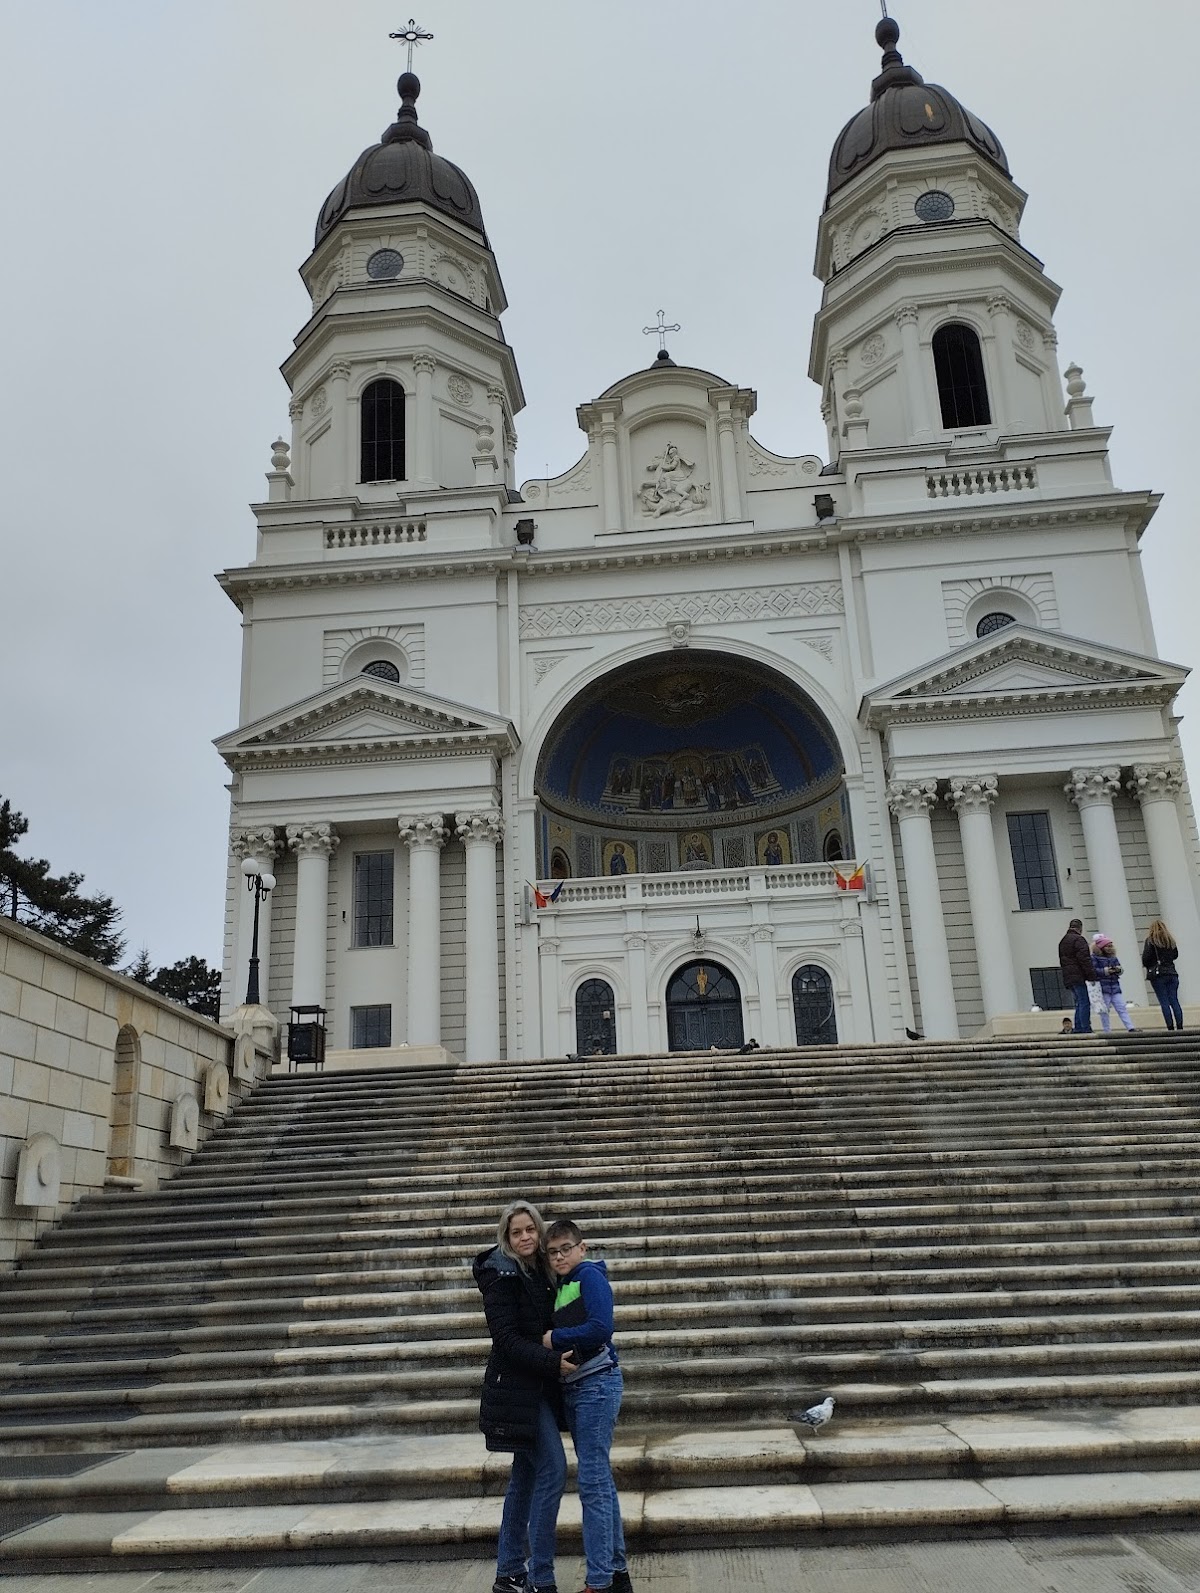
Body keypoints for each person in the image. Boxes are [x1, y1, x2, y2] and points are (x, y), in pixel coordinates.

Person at [474, 1201, 573, 1593]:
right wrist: (551, 1361)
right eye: (517, 1232)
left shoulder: (539, 1272)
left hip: (537, 1390)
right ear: (507, 1238)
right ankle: (537, 1576)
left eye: (530, 1229)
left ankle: (509, 1571)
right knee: (552, 1468)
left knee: (525, 1478)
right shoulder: (502, 1277)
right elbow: (507, 1339)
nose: (525, 1237)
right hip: (517, 1390)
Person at [542, 1220, 631, 1593]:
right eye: (553, 1251)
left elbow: (601, 1327)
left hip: (596, 1386)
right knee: (600, 1483)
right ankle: (617, 1574)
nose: (560, 1256)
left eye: (566, 1248)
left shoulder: (589, 1276)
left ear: (582, 1247)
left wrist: (553, 1338)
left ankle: (599, 1582)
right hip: (580, 1389)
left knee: (593, 1485)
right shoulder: (564, 1284)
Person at [1058, 917, 1098, 1033]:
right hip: (1078, 976)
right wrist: (1091, 976)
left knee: (1078, 1002)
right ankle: (1085, 1027)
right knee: (1084, 1001)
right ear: (1080, 928)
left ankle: (1079, 1026)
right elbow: (1085, 960)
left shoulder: (1063, 941)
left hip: (1068, 977)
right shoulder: (1079, 940)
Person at [1143, 917, 1184, 1030]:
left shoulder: (1150, 941)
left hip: (1158, 975)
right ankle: (1180, 1026)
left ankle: (1170, 1027)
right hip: (1172, 973)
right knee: (1174, 1000)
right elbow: (1175, 955)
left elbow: (1145, 959)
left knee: (1164, 1002)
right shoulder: (1170, 940)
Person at [1091, 934, 1135, 1033]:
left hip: (1114, 986)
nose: (1110, 948)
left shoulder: (1113, 958)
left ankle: (1130, 1027)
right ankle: (1107, 1030)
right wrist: (1106, 971)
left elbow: (1120, 968)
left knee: (1121, 1008)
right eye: (1108, 946)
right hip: (1103, 987)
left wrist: (1118, 970)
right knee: (1105, 1010)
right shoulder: (1095, 958)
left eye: (1111, 946)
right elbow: (1093, 971)